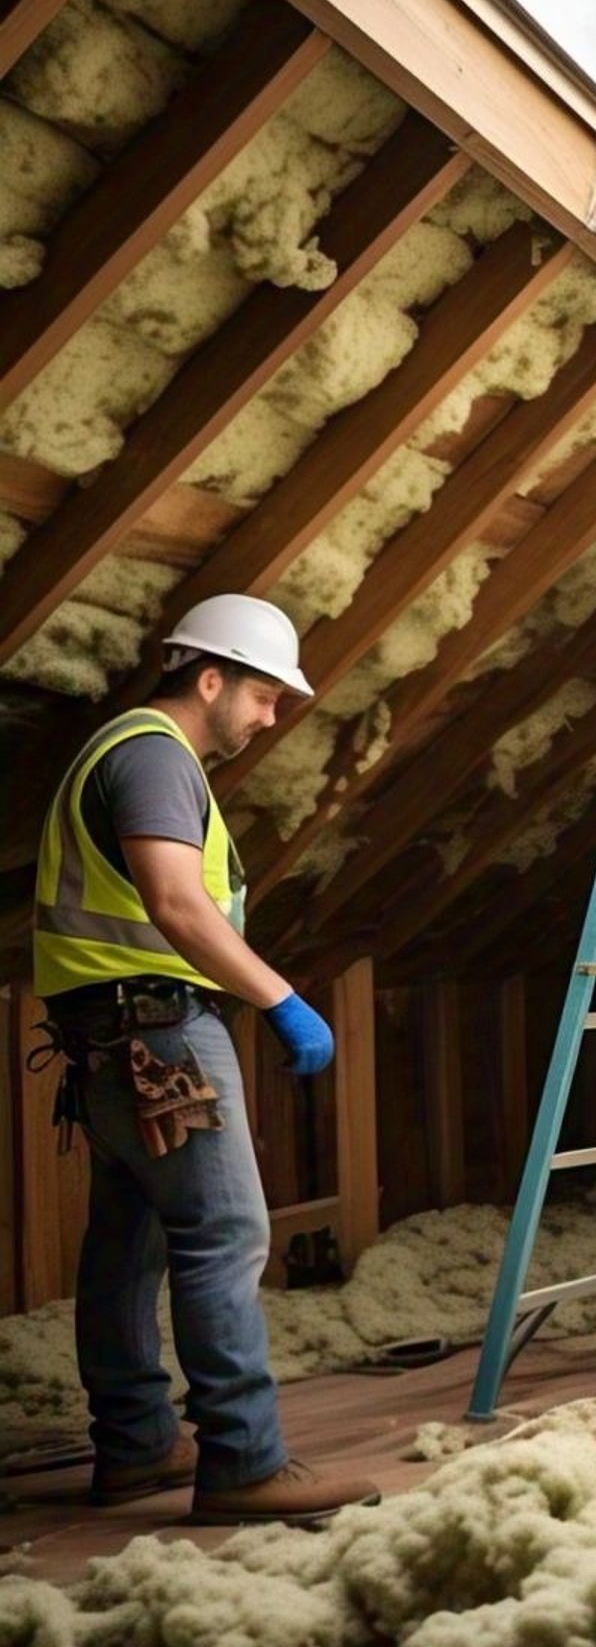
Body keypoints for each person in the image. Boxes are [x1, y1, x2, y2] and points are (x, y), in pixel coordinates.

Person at [33, 594, 380, 1524]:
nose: (271, 717)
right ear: (212, 676)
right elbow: (177, 906)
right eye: (265, 695)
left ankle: (139, 1448)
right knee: (228, 1236)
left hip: (107, 1043)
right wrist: (283, 1001)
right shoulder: (153, 755)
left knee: (128, 1247)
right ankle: (242, 1460)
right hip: (158, 1039)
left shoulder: (128, 754)